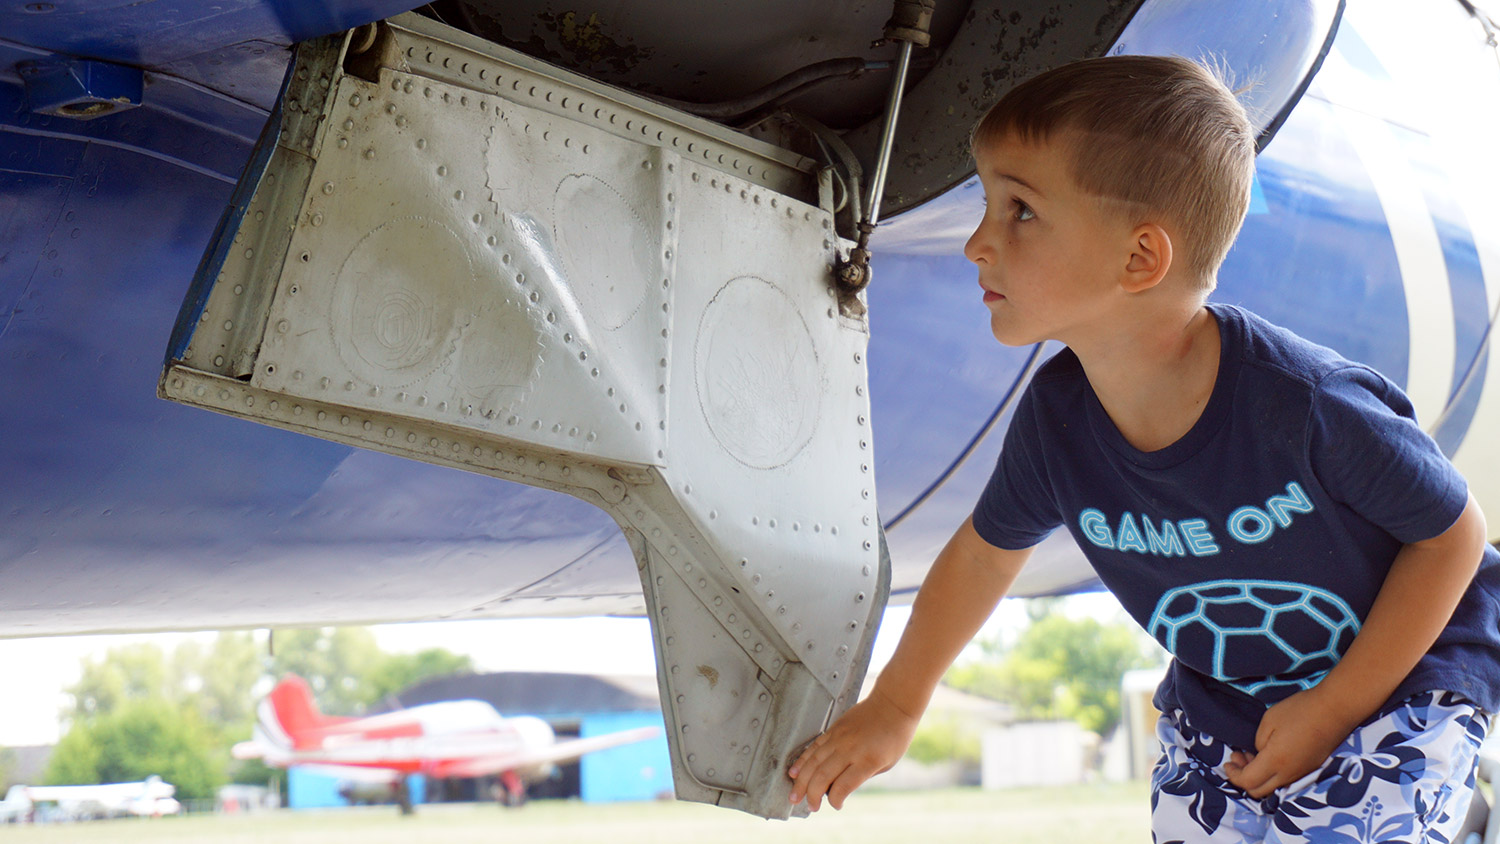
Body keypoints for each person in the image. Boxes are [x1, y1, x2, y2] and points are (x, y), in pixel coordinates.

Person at [787, 54, 1500, 842]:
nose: (977, 244)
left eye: (1020, 210)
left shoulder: (1305, 405)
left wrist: (1334, 708)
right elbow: (985, 557)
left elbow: (1454, 536)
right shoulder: (1057, 423)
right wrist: (895, 705)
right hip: (1228, 696)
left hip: (1404, 678)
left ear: (1140, 259)